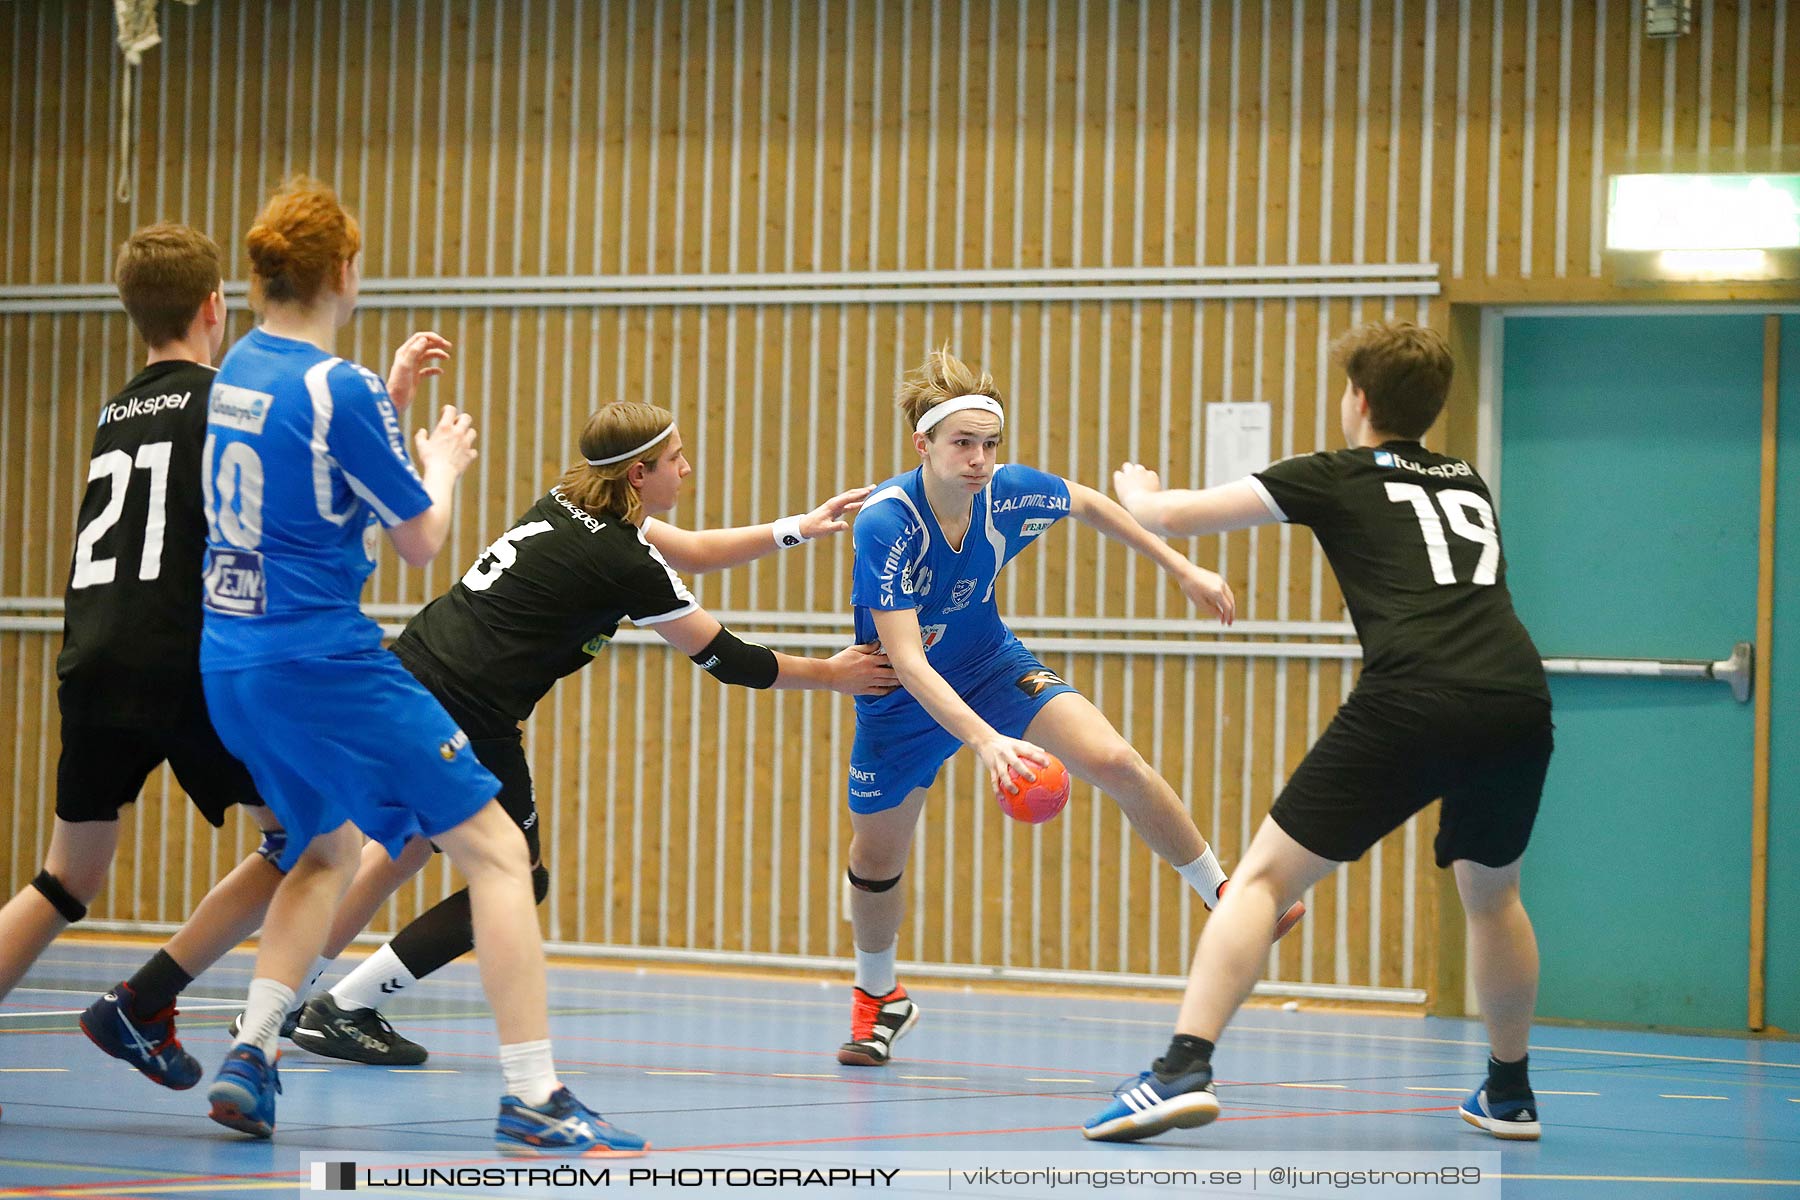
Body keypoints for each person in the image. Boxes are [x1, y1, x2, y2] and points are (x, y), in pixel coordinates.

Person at [232, 400, 895, 1066]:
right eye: (676, 460)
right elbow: (730, 659)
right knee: (519, 874)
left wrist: (797, 529)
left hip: (411, 673)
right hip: (471, 711)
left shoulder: (568, 502)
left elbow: (690, 552)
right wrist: (832, 675)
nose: (686, 469)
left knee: (402, 844)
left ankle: (288, 1002)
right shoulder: (622, 561)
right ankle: (346, 1006)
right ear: (639, 474)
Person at [194, 175, 637, 1155]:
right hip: (325, 660)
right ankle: (533, 1095)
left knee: (322, 851)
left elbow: (316, 490)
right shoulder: (333, 386)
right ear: (346, 269)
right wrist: (437, 458)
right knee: (498, 852)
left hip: (230, 660)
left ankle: (253, 1052)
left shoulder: (238, 371)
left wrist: (389, 397)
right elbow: (422, 542)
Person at [1083, 320, 1553, 1144]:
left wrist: (1136, 489)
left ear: (1358, 400)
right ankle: (1509, 1092)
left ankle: (1181, 1067)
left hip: (1413, 694)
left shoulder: (1335, 474)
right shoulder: (1467, 480)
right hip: (1516, 698)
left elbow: (1173, 516)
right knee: (1494, 895)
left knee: (1262, 881)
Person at [835, 345, 1304, 1069]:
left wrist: (1180, 565)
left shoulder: (1009, 492)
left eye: (990, 444)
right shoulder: (886, 524)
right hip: (902, 700)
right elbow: (905, 660)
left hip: (991, 666)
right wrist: (988, 743)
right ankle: (879, 999)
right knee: (875, 863)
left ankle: (1226, 895)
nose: (980, 459)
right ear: (922, 445)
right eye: (962, 443)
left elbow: (1086, 502)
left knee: (1115, 758)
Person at [0, 224, 290, 1100]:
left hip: (92, 658)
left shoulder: (114, 414)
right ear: (216, 308)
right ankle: (162, 1006)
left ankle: (143, 1003)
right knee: (307, 843)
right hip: (185, 660)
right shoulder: (228, 401)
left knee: (64, 877)